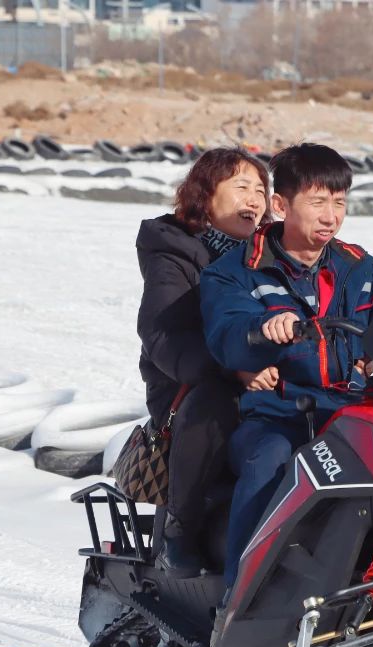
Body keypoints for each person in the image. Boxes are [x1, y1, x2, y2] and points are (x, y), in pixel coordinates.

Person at [199, 143, 373, 588]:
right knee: (270, 461)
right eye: (317, 202)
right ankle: (241, 594)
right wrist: (263, 330)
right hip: (277, 417)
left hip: (351, 413)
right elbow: (228, 335)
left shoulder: (358, 266)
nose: (330, 216)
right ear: (281, 206)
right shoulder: (236, 272)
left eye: (340, 203)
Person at [135, 147, 273, 577]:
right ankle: (181, 528)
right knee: (218, 401)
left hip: (264, 377)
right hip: (188, 389)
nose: (253, 199)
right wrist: (233, 369)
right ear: (205, 195)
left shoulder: (269, 255)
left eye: (260, 190)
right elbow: (163, 335)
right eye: (241, 187)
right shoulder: (174, 252)